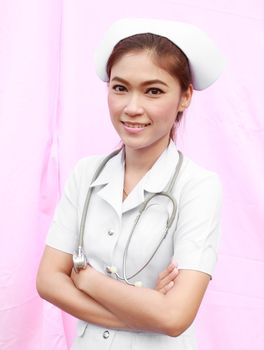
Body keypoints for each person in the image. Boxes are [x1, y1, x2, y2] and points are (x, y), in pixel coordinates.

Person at [36, 18, 225, 349]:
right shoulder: (87, 174)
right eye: (120, 88)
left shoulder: (198, 186)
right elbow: (48, 281)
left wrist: (87, 279)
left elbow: (175, 317)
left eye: (153, 91)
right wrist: (145, 308)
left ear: (185, 97)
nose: (132, 108)